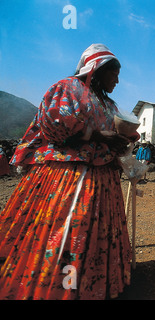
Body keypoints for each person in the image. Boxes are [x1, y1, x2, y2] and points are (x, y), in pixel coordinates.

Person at [0, 44, 136, 300]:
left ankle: (91, 286)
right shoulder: (67, 88)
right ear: (96, 70)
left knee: (94, 234)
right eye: (113, 74)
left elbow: (117, 130)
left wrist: (121, 138)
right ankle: (54, 289)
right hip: (69, 176)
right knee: (69, 228)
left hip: (102, 179)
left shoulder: (108, 102)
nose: (117, 81)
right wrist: (97, 134)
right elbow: (53, 122)